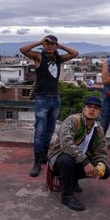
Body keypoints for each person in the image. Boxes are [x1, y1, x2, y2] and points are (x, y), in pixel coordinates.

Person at [20, 35, 78, 177]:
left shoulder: (58, 58)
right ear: (44, 45)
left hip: (55, 98)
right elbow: (23, 49)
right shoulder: (39, 57)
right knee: (39, 131)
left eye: (53, 44)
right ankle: (36, 162)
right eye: (48, 43)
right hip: (42, 99)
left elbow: (75, 53)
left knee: (50, 130)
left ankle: (44, 155)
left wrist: (60, 46)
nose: (50, 46)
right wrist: (40, 42)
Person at [46, 96, 110, 211]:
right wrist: (86, 162)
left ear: (99, 112)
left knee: (106, 171)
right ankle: (66, 195)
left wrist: (101, 163)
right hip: (58, 157)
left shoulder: (99, 130)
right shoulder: (73, 120)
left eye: (96, 108)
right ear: (83, 109)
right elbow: (66, 144)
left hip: (78, 159)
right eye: (89, 107)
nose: (92, 110)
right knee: (68, 159)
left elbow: (101, 151)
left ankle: (72, 179)